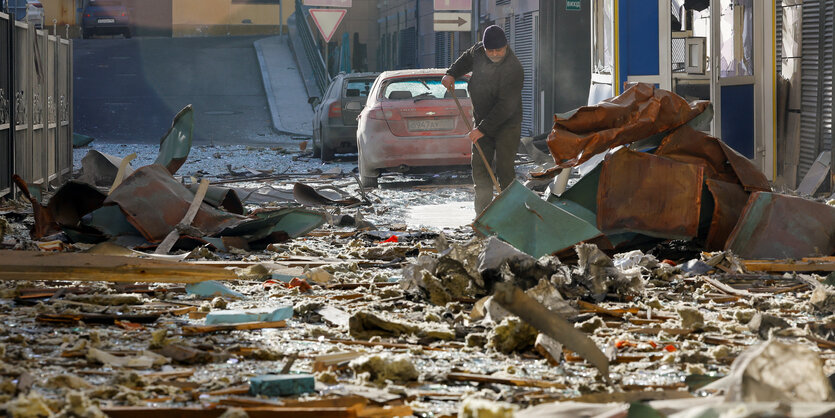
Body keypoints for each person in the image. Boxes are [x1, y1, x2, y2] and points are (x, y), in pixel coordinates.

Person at [442, 25, 524, 215]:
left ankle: (510, 216)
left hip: (507, 124)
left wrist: (482, 129)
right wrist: (451, 73)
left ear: (506, 46)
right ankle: (483, 217)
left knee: (505, 171)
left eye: (499, 50)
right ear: (484, 48)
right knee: (480, 172)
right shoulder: (478, 51)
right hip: (481, 121)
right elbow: (466, 59)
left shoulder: (514, 69)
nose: (495, 54)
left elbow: (505, 107)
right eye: (491, 50)